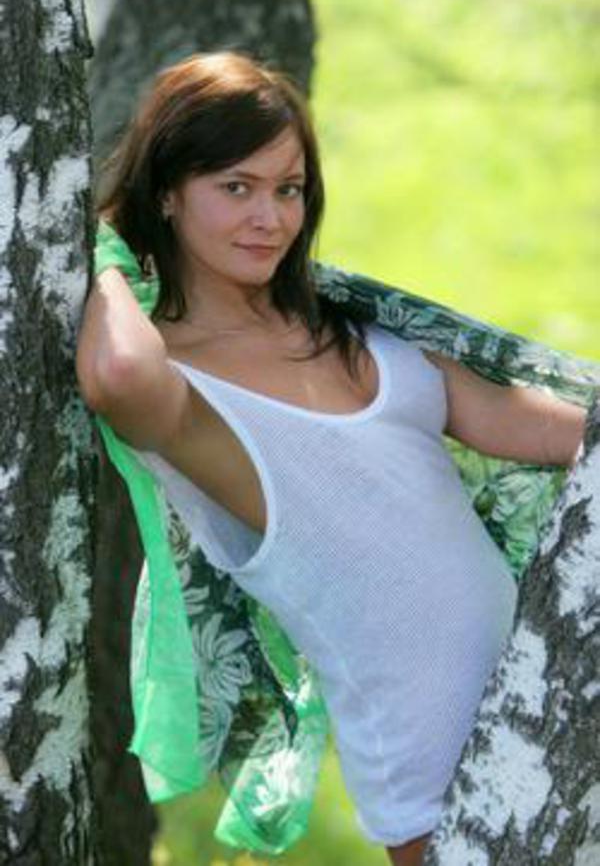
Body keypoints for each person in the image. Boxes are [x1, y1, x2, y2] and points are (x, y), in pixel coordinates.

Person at [76, 50, 587, 866]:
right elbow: (118, 374)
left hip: (550, 707)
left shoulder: (354, 325)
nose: (269, 218)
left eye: (289, 189)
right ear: (166, 192)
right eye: (236, 188)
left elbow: (537, 426)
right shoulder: (188, 392)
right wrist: (99, 244)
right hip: (439, 774)